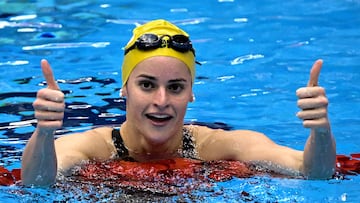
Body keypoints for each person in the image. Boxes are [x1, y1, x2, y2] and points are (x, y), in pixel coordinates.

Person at [21, 19, 336, 186]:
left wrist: (320, 131)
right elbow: (37, 183)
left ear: (191, 94)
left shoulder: (215, 146)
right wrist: (44, 133)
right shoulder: (93, 147)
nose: (161, 101)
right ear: (124, 89)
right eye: (147, 85)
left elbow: (313, 173)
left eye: (175, 87)